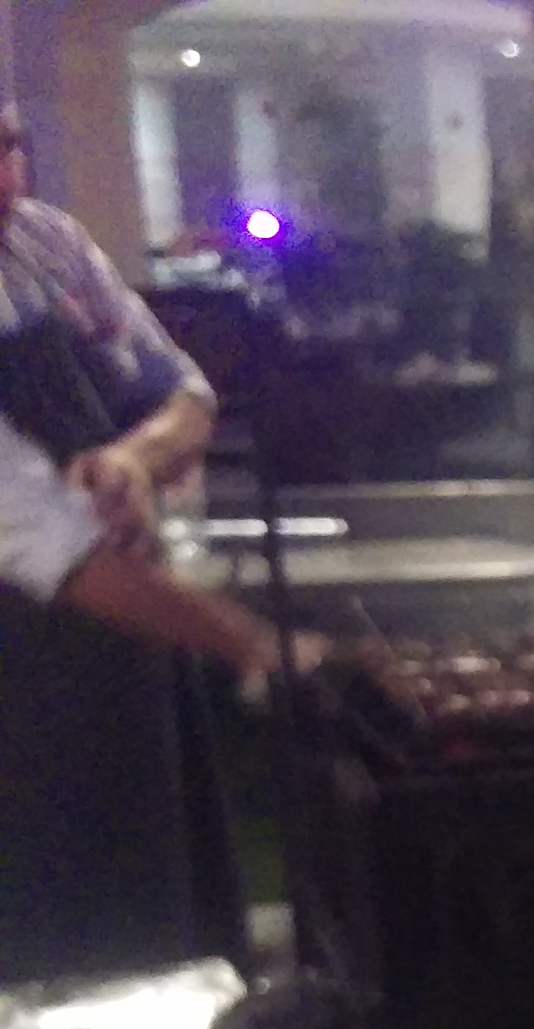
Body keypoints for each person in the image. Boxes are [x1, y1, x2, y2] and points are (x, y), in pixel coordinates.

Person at [0, 100, 291, 984]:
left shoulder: (47, 243)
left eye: (8, 144)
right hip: (23, 677)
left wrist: (133, 457)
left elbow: (186, 395)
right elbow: (53, 548)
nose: (6, 178)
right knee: (56, 934)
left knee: (166, 889)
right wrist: (251, 644)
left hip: (130, 641)